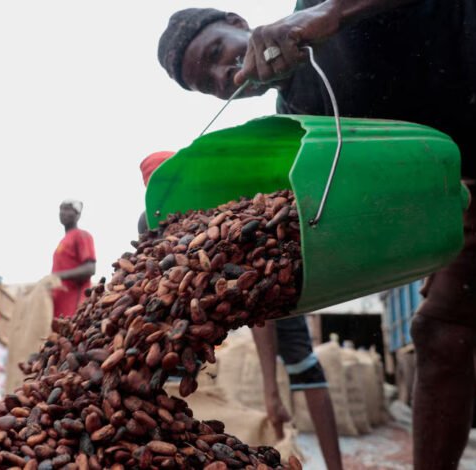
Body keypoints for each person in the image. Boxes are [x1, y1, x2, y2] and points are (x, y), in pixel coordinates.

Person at [158, 3, 476, 469]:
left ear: (240, 23)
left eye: (219, 51)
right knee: (441, 329)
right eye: (210, 82)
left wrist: (329, 14)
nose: (225, 72)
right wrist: (178, 234)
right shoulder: (299, 115)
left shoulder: (315, 11)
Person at [137, 150, 343, 470]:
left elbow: (257, 303)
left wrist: (270, 390)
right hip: (216, 294)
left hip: (273, 279)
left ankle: (335, 465)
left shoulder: (214, 210)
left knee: (304, 366)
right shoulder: (152, 222)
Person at [51, 200, 96, 319]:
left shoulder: (81, 235)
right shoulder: (63, 241)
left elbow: (90, 268)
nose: (63, 212)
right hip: (59, 307)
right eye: (61, 209)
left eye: (68, 209)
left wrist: (57, 276)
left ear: (78, 215)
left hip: (74, 307)